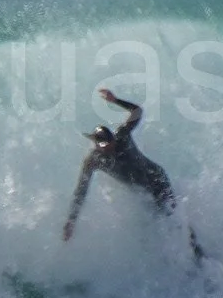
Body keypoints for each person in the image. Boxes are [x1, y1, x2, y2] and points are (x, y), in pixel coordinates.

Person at [62, 89, 200, 256]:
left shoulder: (122, 136)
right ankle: (174, 262)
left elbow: (137, 111)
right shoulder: (93, 160)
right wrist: (72, 219)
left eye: (110, 143)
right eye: (104, 146)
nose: (109, 148)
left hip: (156, 179)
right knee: (156, 228)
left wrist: (115, 100)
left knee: (174, 217)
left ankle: (198, 254)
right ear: (96, 144)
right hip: (142, 192)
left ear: (113, 138)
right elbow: (81, 190)